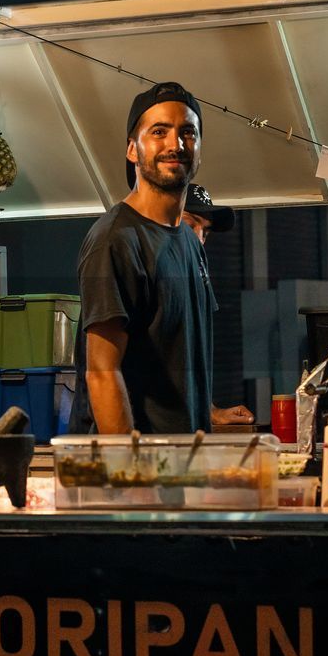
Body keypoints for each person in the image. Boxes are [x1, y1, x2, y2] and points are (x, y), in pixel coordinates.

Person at [69, 82, 216, 434]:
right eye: (159, 132)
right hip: (138, 473)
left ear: (199, 150)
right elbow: (102, 373)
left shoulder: (189, 242)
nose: (175, 144)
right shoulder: (115, 240)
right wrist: (130, 474)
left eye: (187, 133)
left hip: (184, 465)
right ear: (133, 150)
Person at [180, 183, 255, 426]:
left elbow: (189, 358)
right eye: (190, 225)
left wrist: (211, 411)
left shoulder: (195, 273)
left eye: (206, 232)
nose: (199, 239)